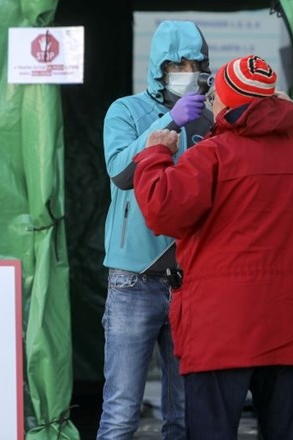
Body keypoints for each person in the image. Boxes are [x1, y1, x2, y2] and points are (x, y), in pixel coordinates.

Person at [131, 55, 293, 439]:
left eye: (215, 97)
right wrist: (285, 119)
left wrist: (154, 155)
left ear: (229, 104)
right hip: (291, 329)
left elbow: (162, 211)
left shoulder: (210, 156)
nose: (210, 103)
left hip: (220, 331)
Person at [97, 20, 213, 440]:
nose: (186, 70)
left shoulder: (210, 118)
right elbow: (120, 172)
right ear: (158, 67)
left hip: (191, 281)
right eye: (176, 64)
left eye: (194, 63)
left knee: (185, 415)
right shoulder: (125, 111)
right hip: (134, 279)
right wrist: (170, 121)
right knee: (121, 412)